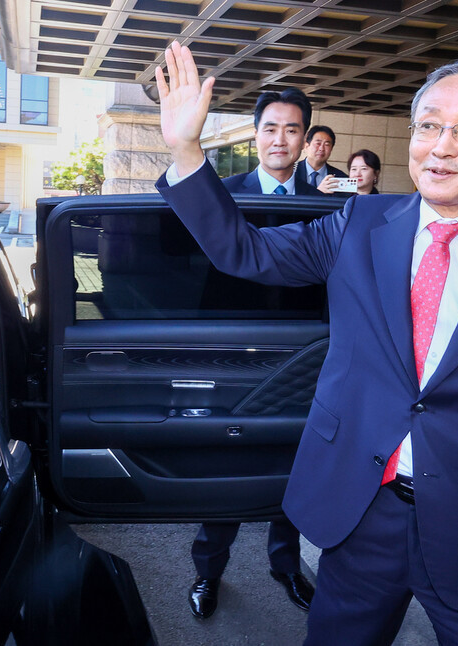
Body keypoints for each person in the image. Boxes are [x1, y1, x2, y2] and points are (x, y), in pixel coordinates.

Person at [156, 41, 458, 645]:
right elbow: (243, 250)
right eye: (428, 125)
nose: (442, 145)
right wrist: (186, 149)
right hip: (363, 511)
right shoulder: (360, 223)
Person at [186, 85, 317, 622]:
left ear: (305, 137)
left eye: (291, 129)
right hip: (236, 351)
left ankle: (286, 565)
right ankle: (207, 571)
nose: (280, 139)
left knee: (296, 466)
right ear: (255, 134)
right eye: (270, 127)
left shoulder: (329, 200)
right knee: (230, 465)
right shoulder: (223, 191)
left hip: (306, 355)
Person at [221, 88, 318, 196]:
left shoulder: (319, 201)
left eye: (291, 131)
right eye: (270, 130)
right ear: (256, 136)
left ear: (304, 139)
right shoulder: (223, 192)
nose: (279, 141)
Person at [299, 125, 347, 192]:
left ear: (331, 149)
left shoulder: (340, 178)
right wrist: (318, 192)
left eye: (327, 145)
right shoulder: (291, 172)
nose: (321, 149)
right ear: (306, 146)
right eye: (318, 143)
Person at [317, 149, 382, 196]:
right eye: (354, 169)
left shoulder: (381, 201)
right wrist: (319, 193)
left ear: (376, 174)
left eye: (363, 169)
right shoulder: (337, 196)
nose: (357, 174)